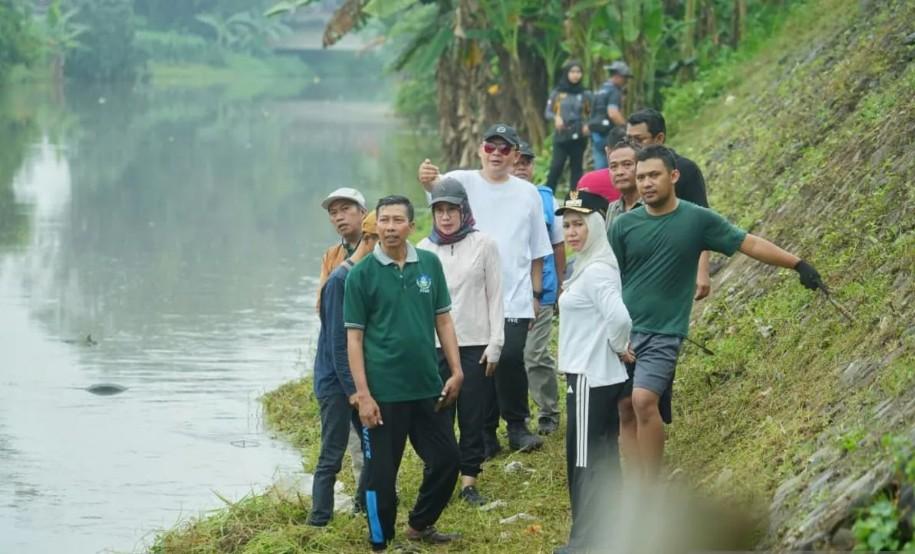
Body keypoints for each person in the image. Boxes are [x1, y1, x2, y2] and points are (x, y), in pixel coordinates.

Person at [609, 145, 825, 478]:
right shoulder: (624, 226)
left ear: (673, 176)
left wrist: (798, 264)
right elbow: (604, 273)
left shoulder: (697, 220)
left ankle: (650, 487)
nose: (646, 183)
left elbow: (748, 242)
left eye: (654, 175)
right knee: (623, 408)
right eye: (641, 177)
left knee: (642, 401)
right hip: (621, 332)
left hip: (665, 331)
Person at [417, 124, 553, 455]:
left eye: (504, 149)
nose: (496, 154)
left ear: (515, 155)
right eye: (490, 148)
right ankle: (486, 433)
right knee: (482, 364)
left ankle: (517, 424)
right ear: (480, 150)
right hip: (471, 295)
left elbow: (538, 248)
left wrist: (536, 295)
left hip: (515, 293)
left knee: (508, 357)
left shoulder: (528, 193)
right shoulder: (463, 180)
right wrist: (427, 179)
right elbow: (438, 192)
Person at [345, 195, 464, 551]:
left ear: (412, 226)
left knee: (447, 460)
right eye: (384, 220)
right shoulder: (361, 274)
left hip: (427, 387)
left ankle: (421, 524)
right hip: (382, 394)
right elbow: (354, 338)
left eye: (398, 220)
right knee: (381, 476)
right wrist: (363, 395)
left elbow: (442, 319)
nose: (391, 227)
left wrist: (456, 371)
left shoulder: (428, 264)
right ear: (375, 224)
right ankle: (381, 542)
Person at [417, 179, 503, 506]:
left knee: (472, 416)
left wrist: (496, 342)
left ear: (463, 210)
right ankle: (440, 475)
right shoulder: (424, 250)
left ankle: (469, 481)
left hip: (475, 343)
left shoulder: (484, 244)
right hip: (435, 347)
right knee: (438, 414)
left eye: (452, 209)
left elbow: (496, 296)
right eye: (440, 210)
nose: (446, 217)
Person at [555, 189, 632, 554]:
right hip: (599, 377)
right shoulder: (589, 264)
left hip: (589, 378)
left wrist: (619, 347)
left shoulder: (596, 271)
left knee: (584, 462)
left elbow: (619, 317)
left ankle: (584, 542)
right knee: (602, 458)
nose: (571, 232)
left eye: (578, 225)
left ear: (595, 226)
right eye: (567, 225)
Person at [307, 212, 378, 527]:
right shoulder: (339, 280)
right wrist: (354, 391)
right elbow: (338, 344)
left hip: (355, 380)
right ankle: (319, 520)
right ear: (370, 239)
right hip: (336, 383)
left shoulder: (364, 276)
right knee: (331, 454)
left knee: (372, 449)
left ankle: (363, 509)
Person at [626, 108, 713, 301]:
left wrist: (702, 270)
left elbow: (701, 223)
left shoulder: (684, 170)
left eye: (639, 140)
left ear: (659, 138)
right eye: (628, 140)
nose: (632, 146)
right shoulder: (627, 171)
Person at [515, 141, 566, 435]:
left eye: (527, 162)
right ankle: (516, 418)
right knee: (510, 358)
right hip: (507, 294)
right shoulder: (495, 199)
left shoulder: (548, 200)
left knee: (534, 354)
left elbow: (559, 245)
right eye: (517, 161)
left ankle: (548, 411)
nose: (521, 167)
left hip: (542, 290)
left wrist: (560, 285)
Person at [317, 187, 366, 491]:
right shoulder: (332, 256)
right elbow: (323, 304)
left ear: (363, 212)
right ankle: (364, 498)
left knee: (370, 436)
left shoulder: (377, 248)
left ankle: (372, 495)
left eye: (345, 209)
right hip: (339, 352)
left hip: (369, 352)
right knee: (348, 439)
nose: (339, 217)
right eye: (333, 213)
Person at [544, 60, 591, 191]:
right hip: (561, 134)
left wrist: (588, 125)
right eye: (572, 72)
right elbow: (547, 112)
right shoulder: (557, 93)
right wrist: (556, 117)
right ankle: (547, 195)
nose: (576, 75)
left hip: (579, 135)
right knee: (556, 166)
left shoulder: (585, 94)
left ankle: (573, 202)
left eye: (578, 72)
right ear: (566, 73)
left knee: (576, 169)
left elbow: (593, 113)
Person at [589, 60, 632, 170]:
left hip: (595, 132)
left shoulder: (600, 90)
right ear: (618, 76)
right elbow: (613, 113)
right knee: (610, 166)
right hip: (607, 134)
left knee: (600, 167)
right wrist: (627, 128)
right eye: (625, 78)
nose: (626, 81)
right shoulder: (614, 91)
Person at [605, 139, 642, 232]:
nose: (619, 172)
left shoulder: (652, 205)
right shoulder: (613, 208)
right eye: (613, 166)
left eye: (627, 164)